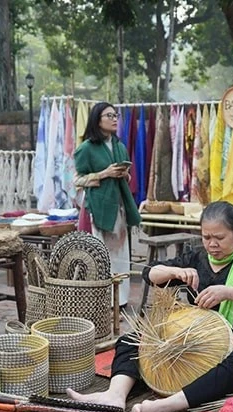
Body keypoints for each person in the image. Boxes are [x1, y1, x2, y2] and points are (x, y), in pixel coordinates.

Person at [68, 201, 233, 412]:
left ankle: (167, 405)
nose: (212, 244)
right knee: (131, 340)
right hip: (191, 337)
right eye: (206, 237)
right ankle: (116, 395)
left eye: (219, 238)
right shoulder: (197, 258)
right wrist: (175, 271)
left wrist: (228, 292)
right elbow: (150, 275)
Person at [73, 102, 142, 307]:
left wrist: (124, 174)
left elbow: (128, 179)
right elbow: (77, 180)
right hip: (98, 208)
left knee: (120, 254)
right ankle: (102, 302)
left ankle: (120, 301)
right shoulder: (86, 149)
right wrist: (104, 174)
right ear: (97, 119)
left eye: (115, 115)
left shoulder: (120, 146)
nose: (114, 119)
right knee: (102, 254)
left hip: (119, 206)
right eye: (109, 115)